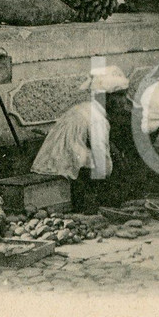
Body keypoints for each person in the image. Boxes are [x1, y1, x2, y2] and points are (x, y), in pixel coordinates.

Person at [31, 66, 133, 210]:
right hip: (62, 169)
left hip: (51, 162)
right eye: (119, 95)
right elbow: (104, 166)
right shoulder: (97, 120)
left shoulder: (84, 108)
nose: (123, 101)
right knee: (112, 164)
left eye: (124, 95)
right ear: (104, 97)